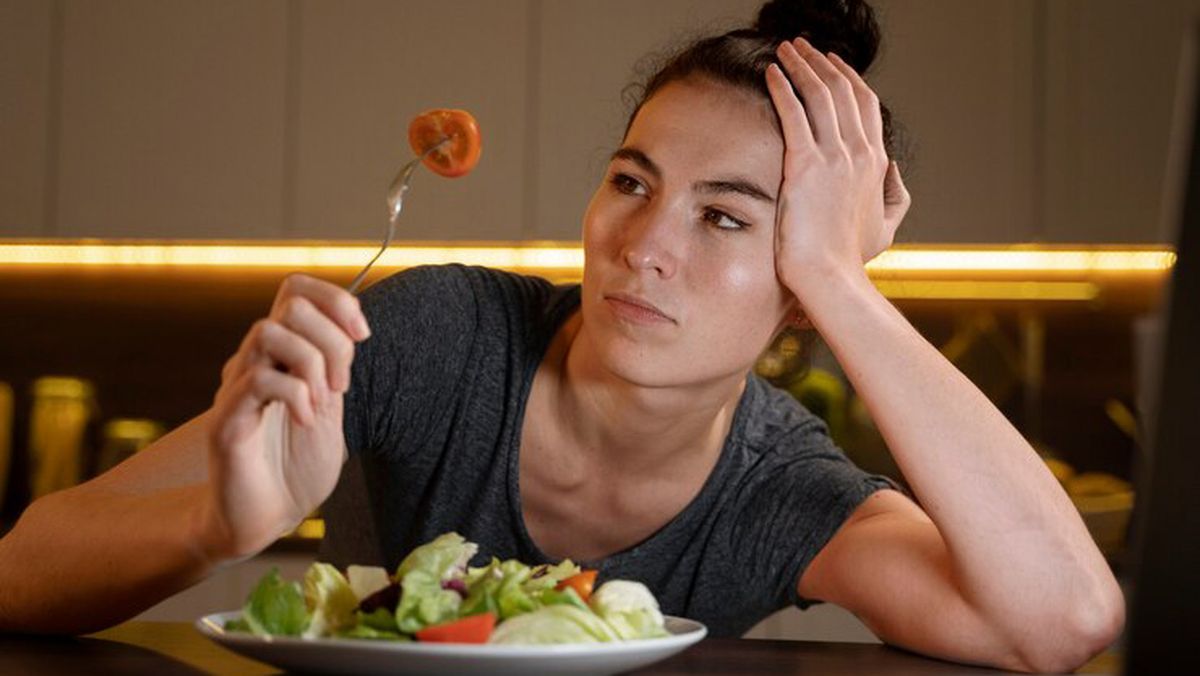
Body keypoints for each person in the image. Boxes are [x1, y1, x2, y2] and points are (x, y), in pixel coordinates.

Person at [0, 0, 1123, 670]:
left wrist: (842, 278)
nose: (642, 243)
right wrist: (213, 523)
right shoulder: (440, 336)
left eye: (724, 215)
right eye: (631, 180)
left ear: (798, 294)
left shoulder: (782, 493)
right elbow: (20, 572)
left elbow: (1065, 620)